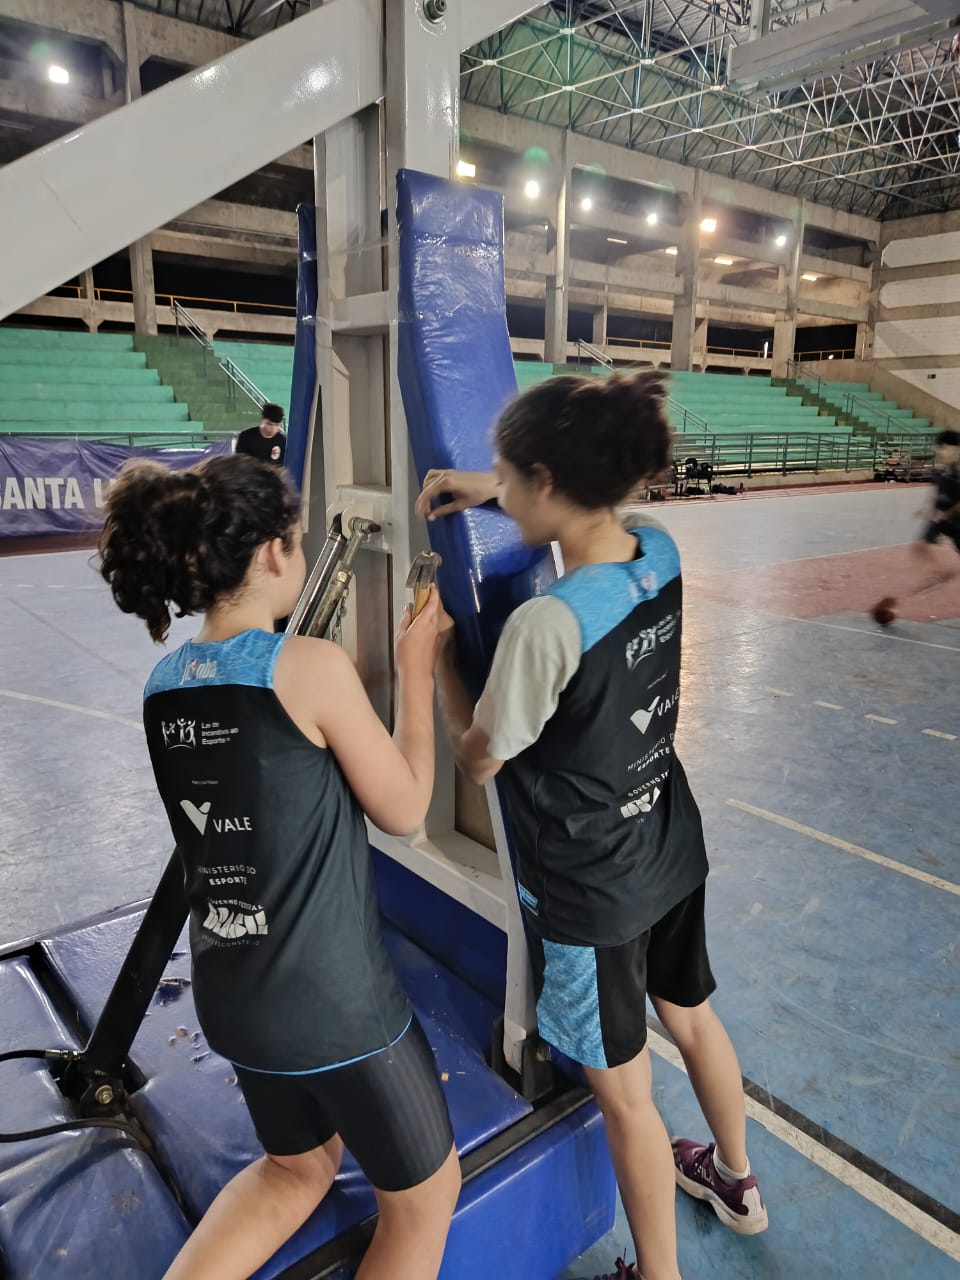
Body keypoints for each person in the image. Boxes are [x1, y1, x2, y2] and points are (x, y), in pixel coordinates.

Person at [416, 372, 766, 1280]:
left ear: (544, 479)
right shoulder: (659, 548)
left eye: (508, 476)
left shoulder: (547, 624)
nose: (499, 490)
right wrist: (491, 486)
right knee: (693, 1017)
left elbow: (479, 757)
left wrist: (441, 662)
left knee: (627, 1096)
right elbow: (597, 505)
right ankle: (736, 1179)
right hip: (668, 840)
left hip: (590, 887)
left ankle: (658, 1274)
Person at [98, 453, 459, 1280]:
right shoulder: (309, 668)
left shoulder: (163, 685)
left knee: (296, 1167)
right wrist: (416, 672)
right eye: (297, 539)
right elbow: (404, 809)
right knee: (426, 1199)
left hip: (233, 997)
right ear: (272, 551)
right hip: (337, 1012)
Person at [871, 428, 960, 626]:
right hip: (939, 520)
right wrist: (925, 510)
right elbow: (935, 493)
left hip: (956, 521)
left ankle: (944, 572)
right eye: (944, 448)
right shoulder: (939, 472)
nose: (947, 452)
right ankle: (940, 571)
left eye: (951, 449)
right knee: (919, 545)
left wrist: (946, 515)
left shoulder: (957, 474)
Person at [236, 402, 287, 466]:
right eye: (269, 424)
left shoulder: (282, 441)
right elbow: (240, 463)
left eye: (277, 425)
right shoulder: (246, 437)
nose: (273, 429)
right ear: (262, 419)